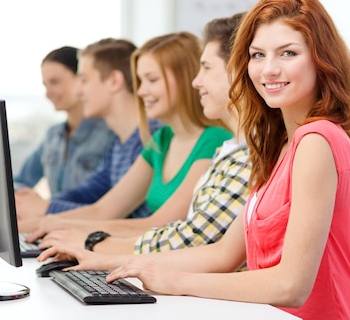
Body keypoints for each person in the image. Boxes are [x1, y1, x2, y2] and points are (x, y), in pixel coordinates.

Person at [38, 0, 350, 320]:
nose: (269, 69)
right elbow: (224, 254)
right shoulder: (282, 146)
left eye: (287, 53)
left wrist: (177, 282)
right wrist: (104, 261)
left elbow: (291, 285)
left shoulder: (318, 140)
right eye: (258, 55)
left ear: (321, 58)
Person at [34, 13, 251, 255]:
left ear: (182, 78)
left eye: (152, 79)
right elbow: (104, 208)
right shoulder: (161, 140)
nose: (141, 91)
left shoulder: (216, 142)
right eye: (140, 80)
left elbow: (167, 227)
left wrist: (87, 239)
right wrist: (50, 223)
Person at [16, 38, 161, 225]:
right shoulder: (120, 142)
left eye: (84, 80)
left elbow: (106, 213)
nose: (78, 91)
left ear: (114, 81)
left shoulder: (150, 139)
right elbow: (88, 193)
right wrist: (37, 207)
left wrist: (42, 209)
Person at [12, 46, 115, 210]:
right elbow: (20, 181)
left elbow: (103, 204)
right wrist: (33, 202)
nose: (47, 93)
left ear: (80, 79)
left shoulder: (111, 134)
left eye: (55, 82)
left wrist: (45, 205)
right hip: (56, 222)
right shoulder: (53, 136)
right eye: (45, 85)